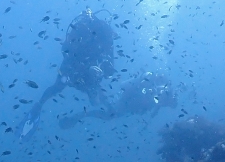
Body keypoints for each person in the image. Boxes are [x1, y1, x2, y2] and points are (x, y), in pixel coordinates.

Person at [17, 9, 116, 139]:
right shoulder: (99, 32)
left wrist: (100, 68)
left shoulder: (103, 33)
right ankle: (39, 107)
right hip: (73, 67)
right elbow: (66, 50)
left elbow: (109, 67)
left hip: (80, 71)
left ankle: (40, 105)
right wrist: (90, 68)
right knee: (63, 87)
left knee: (61, 87)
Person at [57, 70, 176, 129]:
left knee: (109, 115)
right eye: (168, 103)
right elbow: (134, 89)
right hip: (127, 100)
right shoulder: (152, 85)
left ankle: (92, 103)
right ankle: (96, 94)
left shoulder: (163, 97)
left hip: (130, 106)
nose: (165, 104)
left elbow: (156, 107)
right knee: (110, 113)